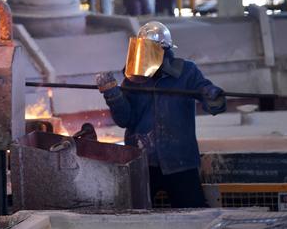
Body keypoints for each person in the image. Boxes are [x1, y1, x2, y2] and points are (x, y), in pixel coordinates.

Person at [96, 21, 226, 208]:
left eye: (145, 49)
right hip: (142, 162)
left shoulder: (186, 73)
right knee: (135, 218)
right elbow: (124, 120)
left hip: (180, 161)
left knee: (192, 215)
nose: (141, 55)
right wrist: (112, 94)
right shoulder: (133, 79)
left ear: (162, 50)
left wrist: (212, 95)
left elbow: (213, 105)